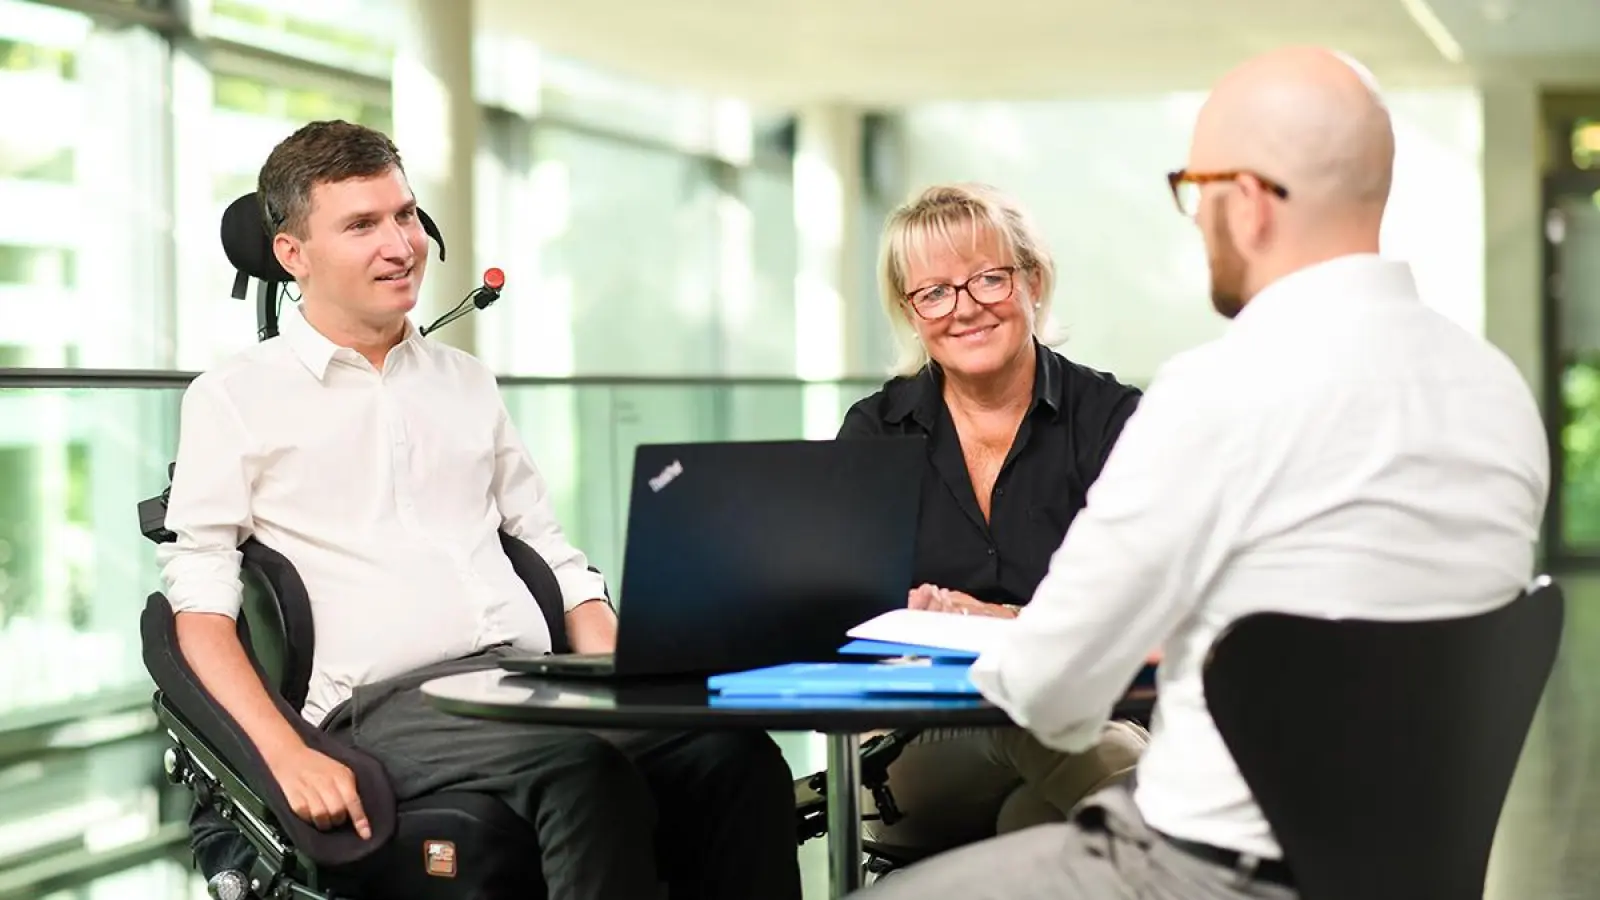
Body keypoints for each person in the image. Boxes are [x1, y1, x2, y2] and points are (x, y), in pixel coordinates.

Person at [852, 46, 1549, 900]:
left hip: (1207, 871)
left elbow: (1050, 690)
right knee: (1033, 821)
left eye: (1197, 189)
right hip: (1412, 868)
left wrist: (1003, 635)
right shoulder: (1497, 393)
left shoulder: (1215, 394)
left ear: (1246, 203)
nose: (1197, 219)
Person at [158, 119, 801, 900]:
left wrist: (627, 675)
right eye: (362, 225)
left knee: (734, 756)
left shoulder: (464, 381)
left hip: (526, 678)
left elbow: (551, 551)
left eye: (405, 215)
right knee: (584, 774)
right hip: (383, 706)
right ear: (294, 254)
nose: (401, 245)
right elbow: (200, 611)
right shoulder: (233, 398)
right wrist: (283, 754)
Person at [836, 182, 1150, 857]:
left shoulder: (1112, 421)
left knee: (1035, 823)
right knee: (1038, 718)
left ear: (1033, 280)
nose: (965, 309)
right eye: (934, 292)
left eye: (987, 279)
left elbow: (1145, 607)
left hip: (1092, 721)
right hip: (913, 751)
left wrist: (1002, 622)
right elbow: (838, 623)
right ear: (911, 312)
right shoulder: (874, 433)